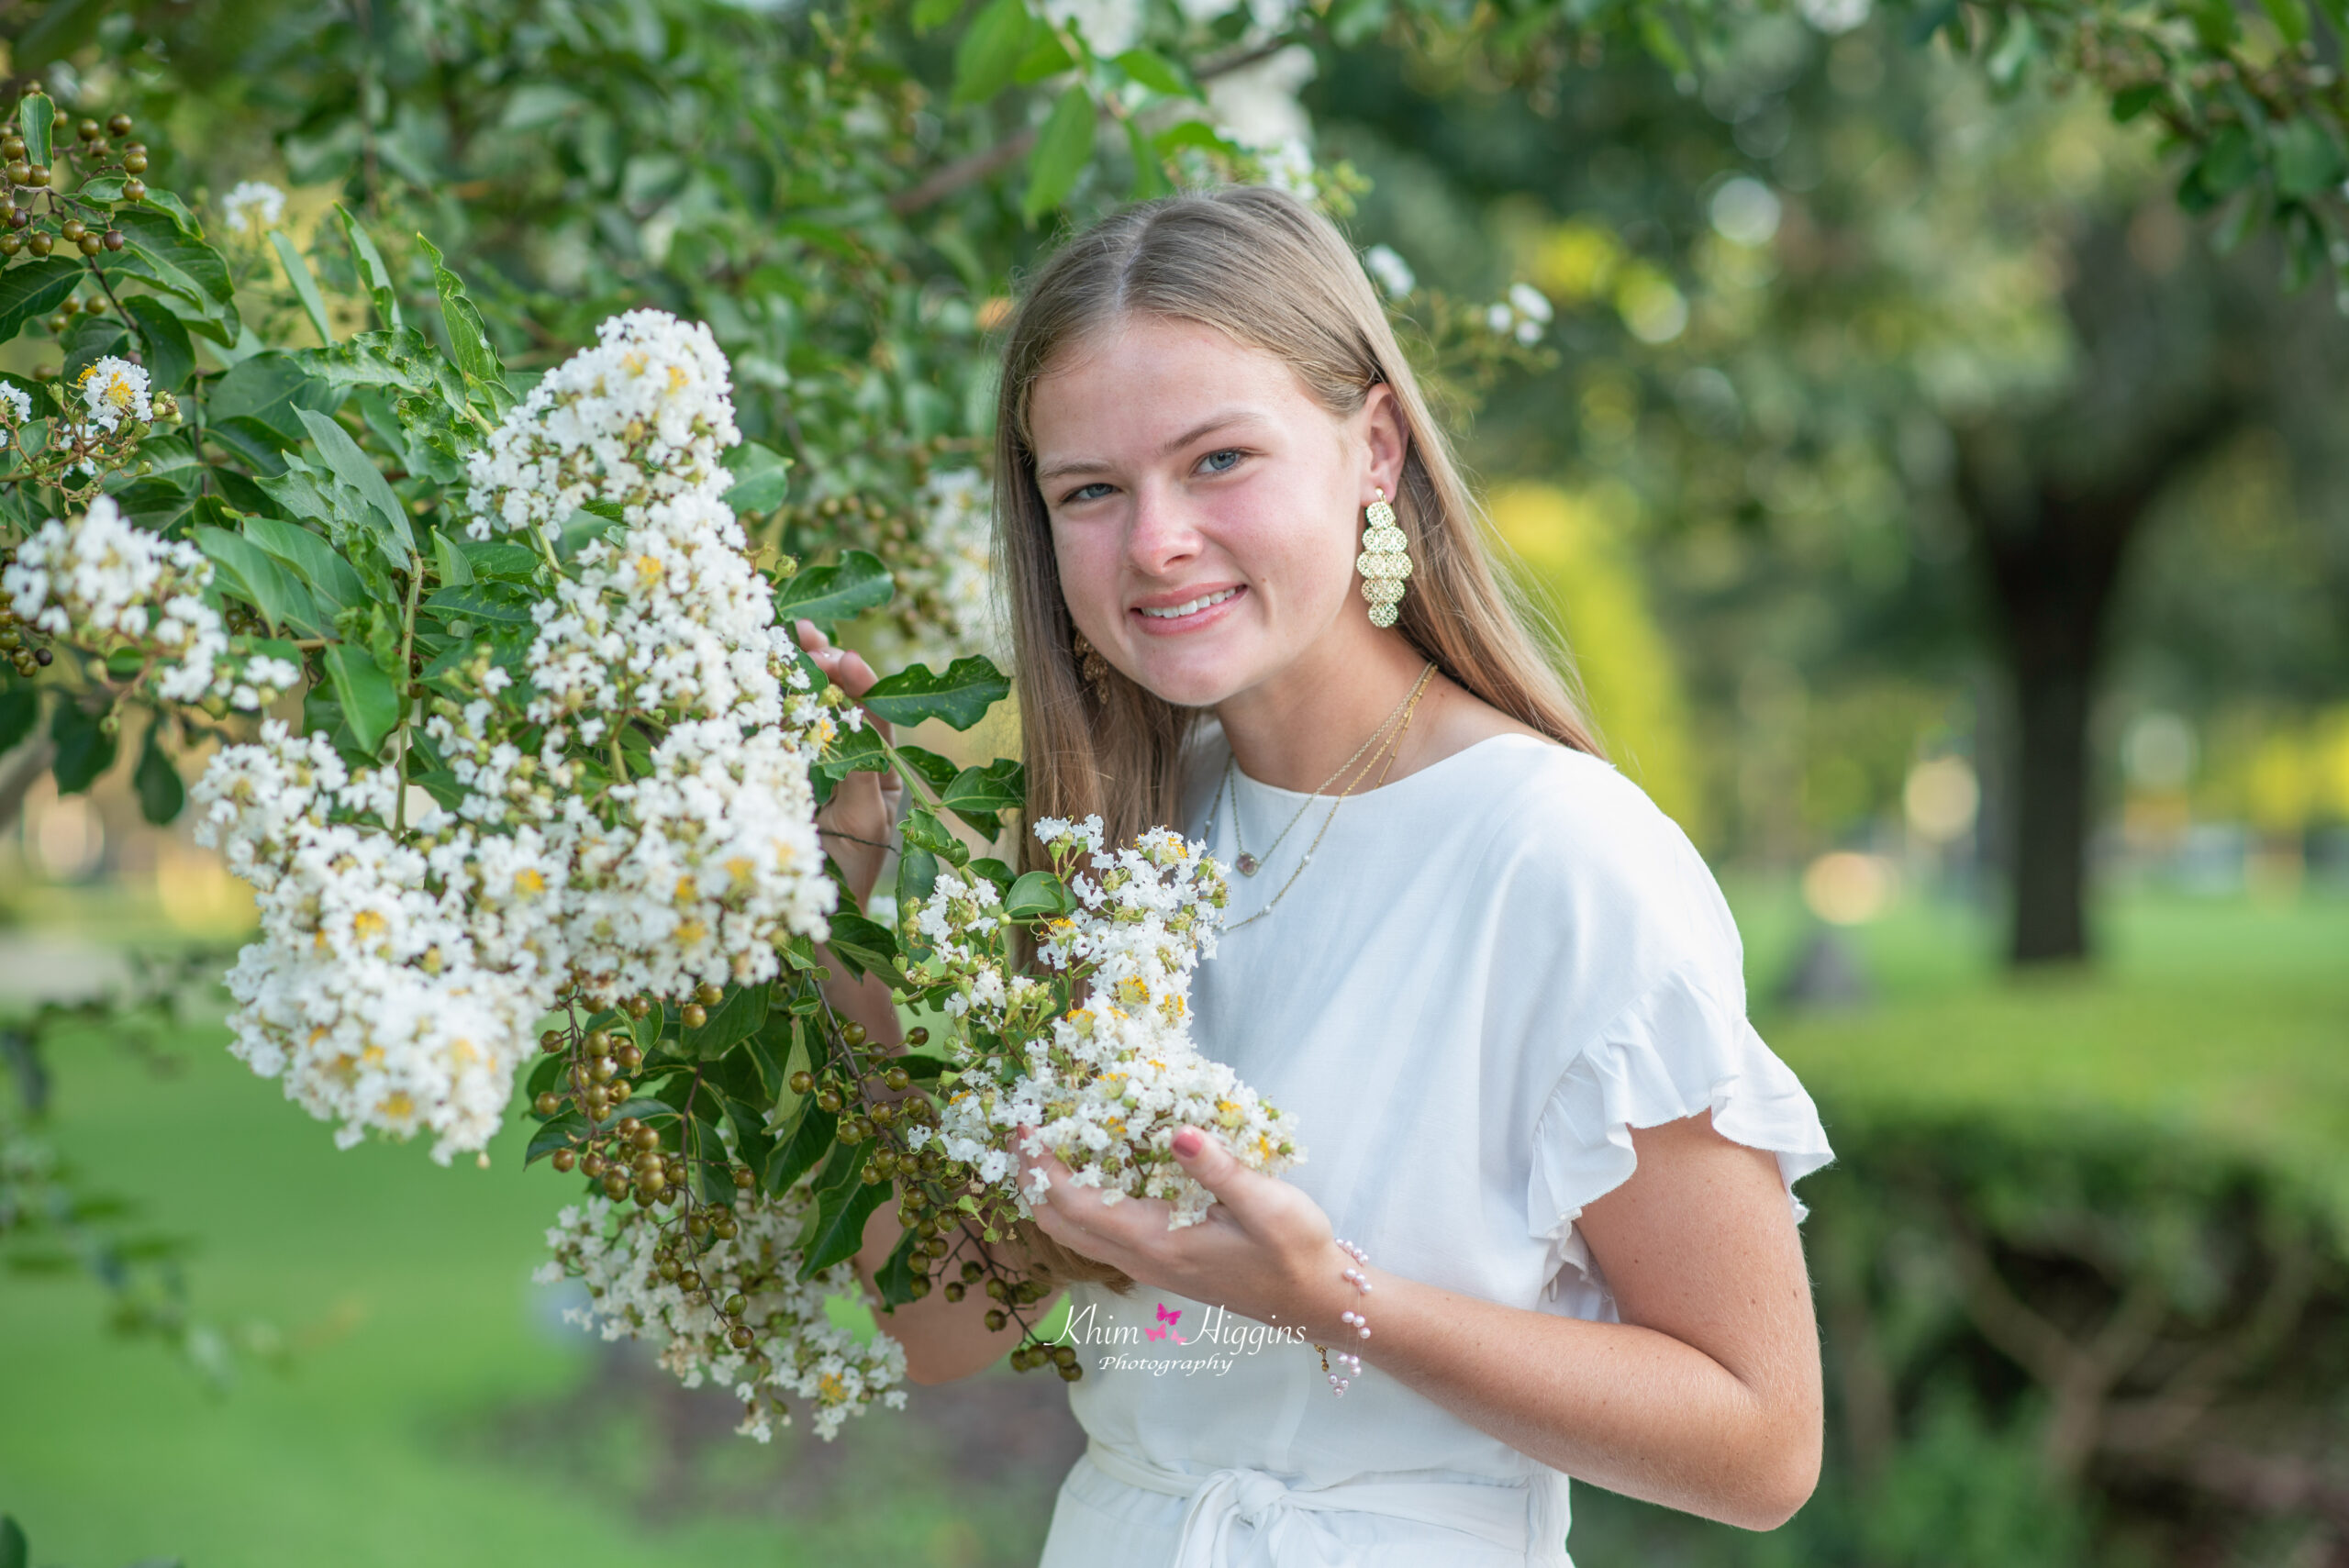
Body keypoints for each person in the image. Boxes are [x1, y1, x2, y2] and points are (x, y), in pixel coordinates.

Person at [797, 184, 1835, 1567]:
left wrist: (1333, 1299)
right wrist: (857, 904)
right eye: (1090, 491)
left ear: (1375, 448)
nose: (1155, 540)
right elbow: (940, 1330)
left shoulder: (1559, 856)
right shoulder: (1120, 848)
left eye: (1219, 459)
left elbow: (1763, 1444)